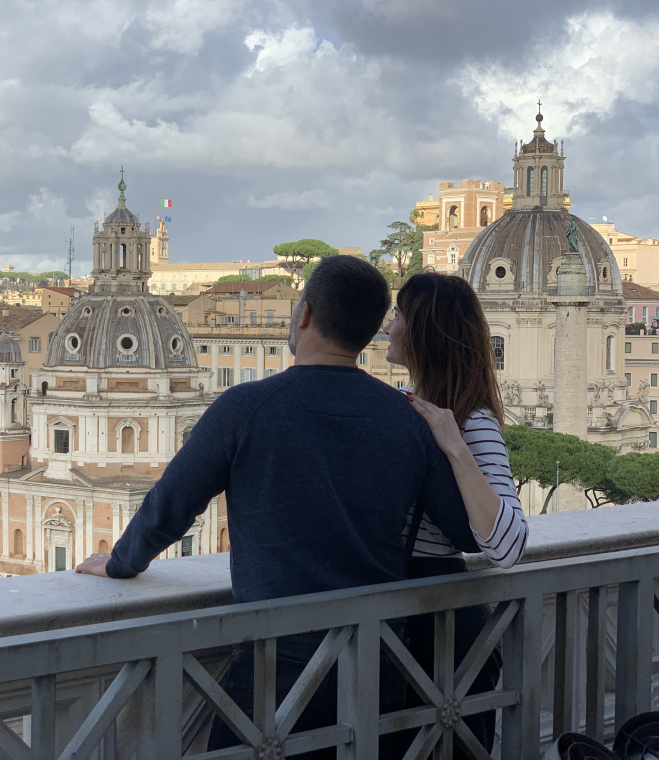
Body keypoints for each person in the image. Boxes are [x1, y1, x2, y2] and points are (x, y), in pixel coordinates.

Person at [76, 255, 482, 758]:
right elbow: (466, 532)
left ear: (304, 314)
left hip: (278, 653)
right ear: (370, 331)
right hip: (380, 655)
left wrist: (121, 562)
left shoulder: (245, 407)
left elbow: (172, 504)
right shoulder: (409, 419)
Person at [382, 272, 528, 758]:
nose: (389, 327)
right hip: (410, 626)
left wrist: (454, 446)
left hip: (444, 636)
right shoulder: (407, 405)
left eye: (399, 315)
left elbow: (508, 545)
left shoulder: (472, 420)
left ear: (424, 331)